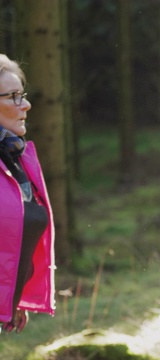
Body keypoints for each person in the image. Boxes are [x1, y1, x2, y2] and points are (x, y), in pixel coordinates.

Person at [0, 54, 55, 334]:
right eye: (13, 97)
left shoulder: (16, 159)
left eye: (23, 95)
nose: (26, 105)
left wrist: (12, 297)